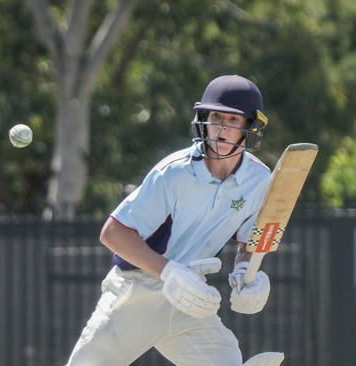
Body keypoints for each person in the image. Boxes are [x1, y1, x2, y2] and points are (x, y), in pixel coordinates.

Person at [66, 75, 284, 366]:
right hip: (137, 293)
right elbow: (114, 233)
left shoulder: (258, 180)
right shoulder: (174, 173)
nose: (220, 128)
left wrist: (248, 272)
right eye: (215, 116)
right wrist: (170, 272)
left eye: (232, 120)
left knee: (227, 361)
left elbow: (249, 240)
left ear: (249, 128)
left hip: (191, 301)